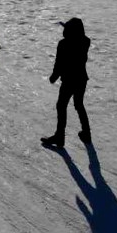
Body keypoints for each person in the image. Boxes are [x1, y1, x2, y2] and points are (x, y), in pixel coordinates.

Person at [40, 18, 92, 148]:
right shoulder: (85, 42)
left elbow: (59, 63)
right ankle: (86, 133)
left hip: (69, 80)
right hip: (81, 79)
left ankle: (59, 136)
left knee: (61, 106)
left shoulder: (63, 44)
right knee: (79, 104)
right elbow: (79, 37)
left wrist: (53, 77)